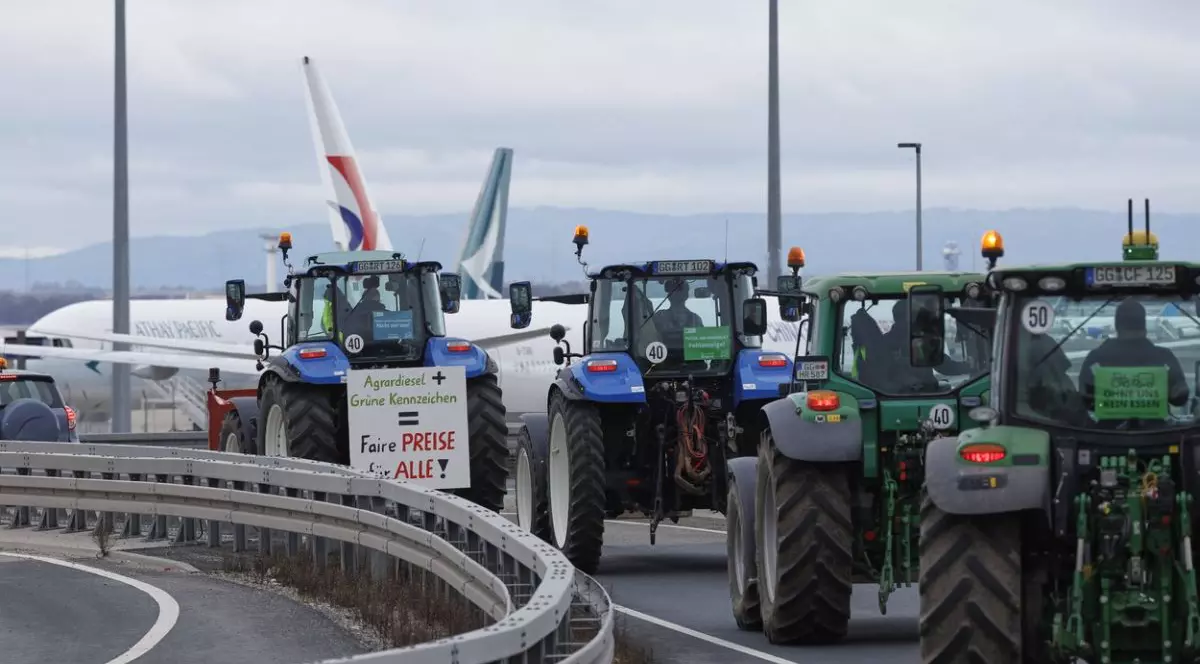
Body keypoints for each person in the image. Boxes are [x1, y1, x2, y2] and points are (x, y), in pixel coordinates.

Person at [1078, 299, 1189, 412]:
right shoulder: (1164, 358)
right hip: (1156, 428)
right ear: (1144, 326)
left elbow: (1087, 401)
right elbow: (1180, 399)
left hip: (1107, 428)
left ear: (1117, 326)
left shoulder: (1095, 358)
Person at [850, 299, 972, 393]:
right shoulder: (922, 341)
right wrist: (969, 366)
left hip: (890, 395)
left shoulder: (883, 342)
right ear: (912, 317)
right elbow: (945, 366)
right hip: (925, 395)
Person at [651, 279, 703, 347]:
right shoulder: (695, 319)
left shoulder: (659, 317)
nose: (676, 293)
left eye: (679, 290)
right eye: (674, 290)